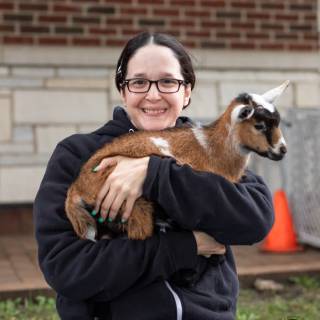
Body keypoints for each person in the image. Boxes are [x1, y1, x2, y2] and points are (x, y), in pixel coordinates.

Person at [34, 32, 274, 320]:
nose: (153, 94)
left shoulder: (213, 149)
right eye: (138, 82)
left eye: (168, 81)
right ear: (123, 91)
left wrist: (155, 173)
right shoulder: (79, 154)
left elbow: (254, 220)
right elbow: (67, 268)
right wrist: (185, 247)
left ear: (186, 91)